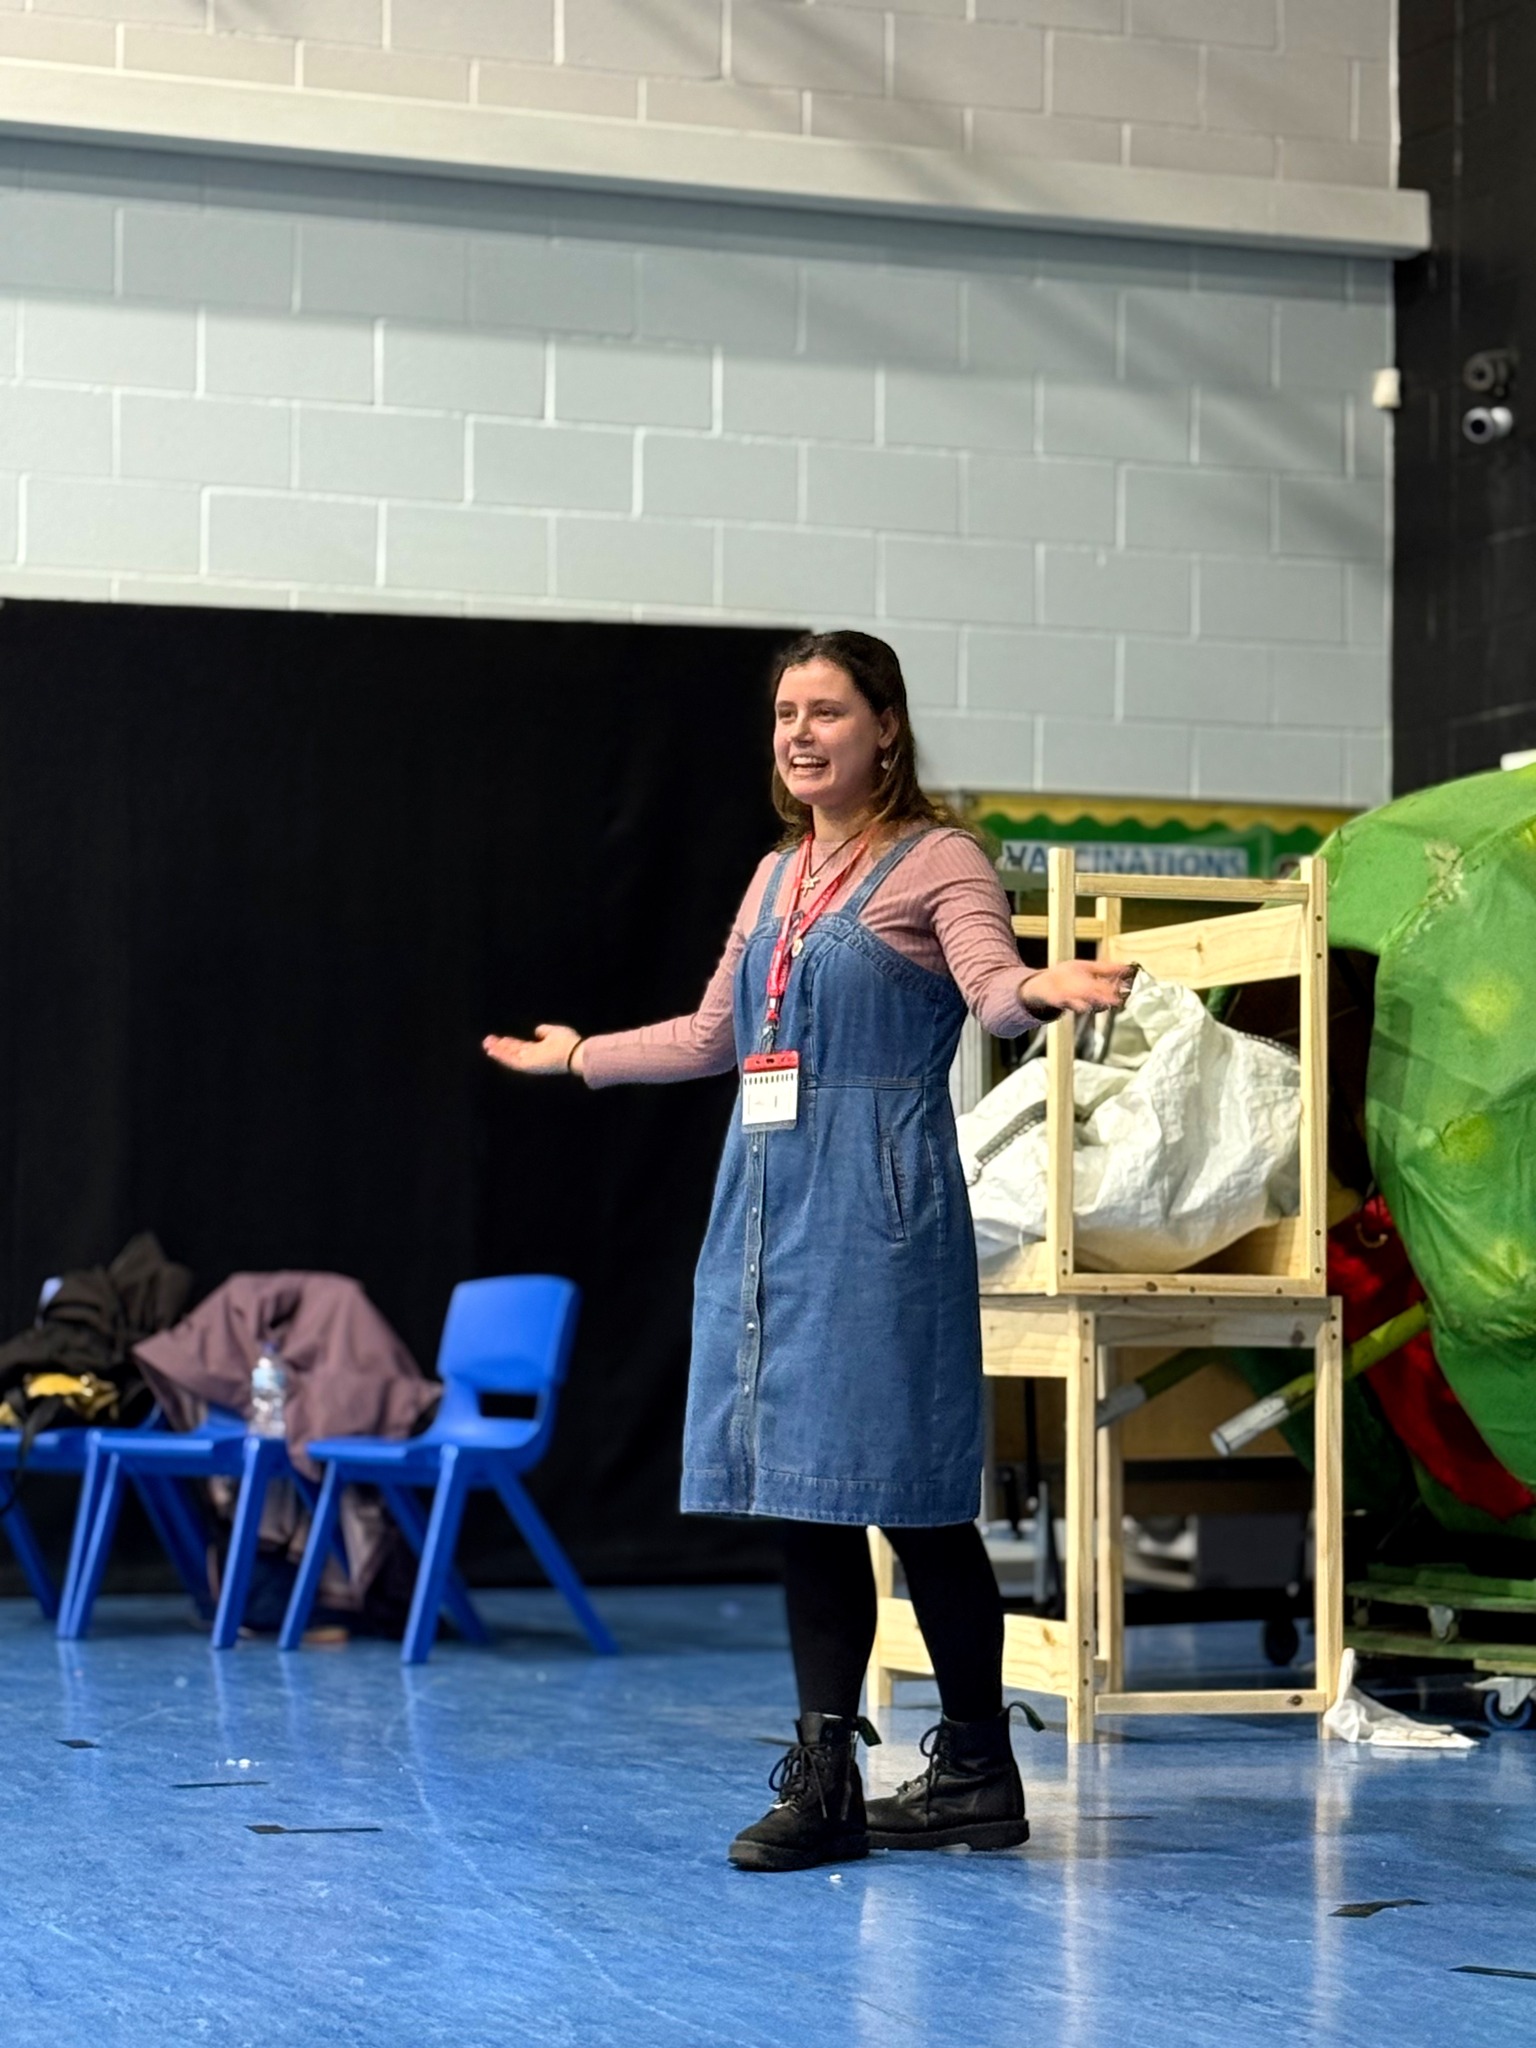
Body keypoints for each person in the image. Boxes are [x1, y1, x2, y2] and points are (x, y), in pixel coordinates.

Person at [484, 629, 1132, 1874]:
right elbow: (711, 1034)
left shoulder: (940, 858)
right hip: (767, 1205)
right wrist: (577, 1055)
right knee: (803, 1494)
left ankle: (976, 1763)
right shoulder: (779, 873)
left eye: (826, 710)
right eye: (786, 711)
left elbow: (991, 986)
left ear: (886, 725)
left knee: (910, 1497)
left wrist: (1040, 991)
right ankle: (829, 1768)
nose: (798, 732)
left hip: (878, 1208)